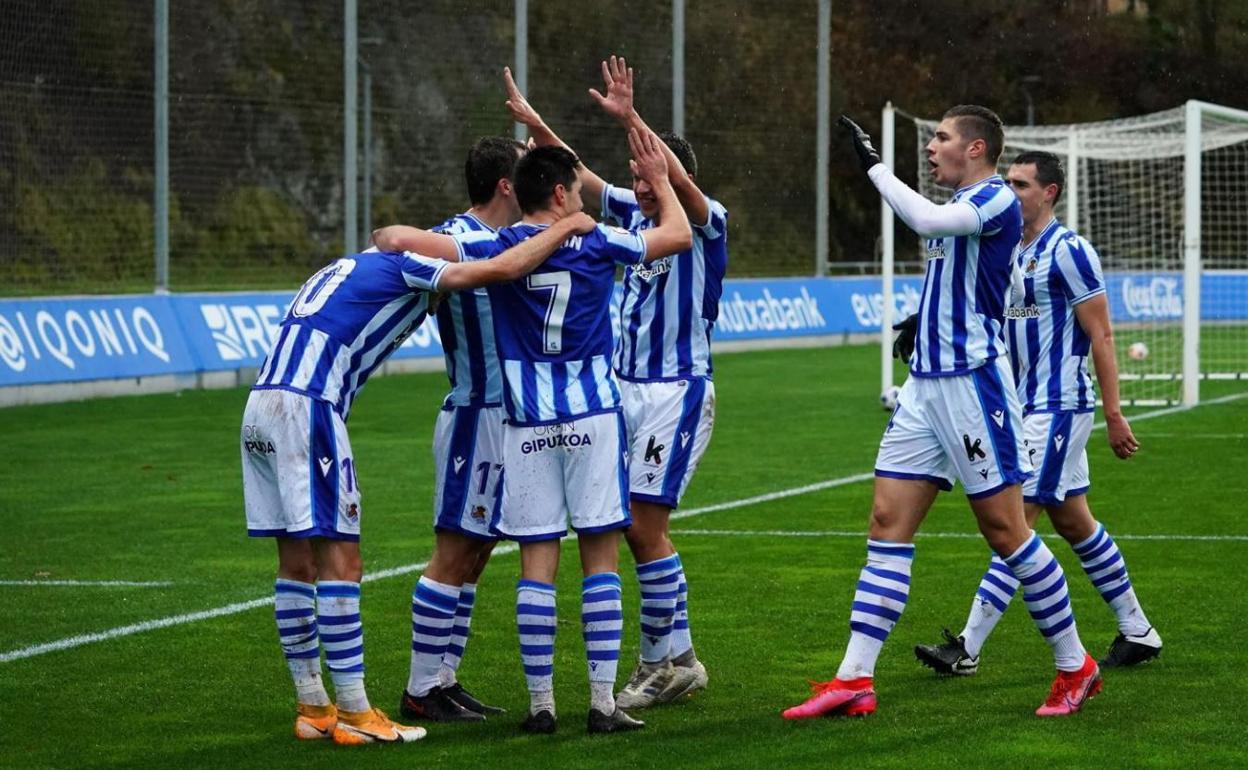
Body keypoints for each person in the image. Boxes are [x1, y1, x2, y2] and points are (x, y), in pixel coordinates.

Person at [783, 107, 1100, 720]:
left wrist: (873, 165)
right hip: (925, 385)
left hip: (972, 386)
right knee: (886, 521)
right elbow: (977, 281)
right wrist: (924, 322)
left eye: (942, 138)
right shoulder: (966, 206)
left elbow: (926, 217)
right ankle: (854, 678)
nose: (931, 147)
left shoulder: (995, 199)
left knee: (1007, 531)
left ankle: (1075, 665)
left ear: (976, 147)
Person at [381, 128, 692, 734]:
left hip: (525, 423)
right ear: (557, 193)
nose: (585, 202)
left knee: (535, 564)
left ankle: (542, 706)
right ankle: (601, 703)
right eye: (577, 191)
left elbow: (397, 242)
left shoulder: (497, 245)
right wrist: (660, 180)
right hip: (589, 417)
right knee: (599, 557)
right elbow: (678, 234)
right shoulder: (597, 240)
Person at [241, 212, 594, 745]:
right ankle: (358, 715)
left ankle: (314, 706)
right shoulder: (407, 266)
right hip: (307, 407)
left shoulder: (340, 268)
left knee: (296, 561)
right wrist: (565, 229)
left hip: (260, 406)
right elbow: (494, 270)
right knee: (343, 561)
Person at [503, 56, 726, 710]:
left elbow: (676, 183)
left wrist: (634, 120)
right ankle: (674, 658)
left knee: (641, 527)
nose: (637, 183)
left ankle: (666, 661)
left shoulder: (707, 221)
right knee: (628, 524)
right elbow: (578, 179)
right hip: (621, 393)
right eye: (636, 174)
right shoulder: (633, 212)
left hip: (676, 392)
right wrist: (537, 124)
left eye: (648, 172)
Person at [914, 150, 1161, 675]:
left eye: (1023, 184)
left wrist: (1114, 413)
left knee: (1015, 521)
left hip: (1058, 406)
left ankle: (967, 646)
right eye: (1010, 182)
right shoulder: (1006, 248)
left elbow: (1102, 334)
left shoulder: (1070, 251)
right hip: (1018, 402)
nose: (1013, 190)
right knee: (1075, 523)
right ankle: (1138, 629)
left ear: (1049, 192)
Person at [394, 136, 527, 723]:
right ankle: (420, 689)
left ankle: (444, 679)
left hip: (504, 419)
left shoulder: (502, 238)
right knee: (453, 552)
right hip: (475, 416)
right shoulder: (466, 239)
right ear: (505, 186)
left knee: (477, 551)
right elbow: (395, 241)